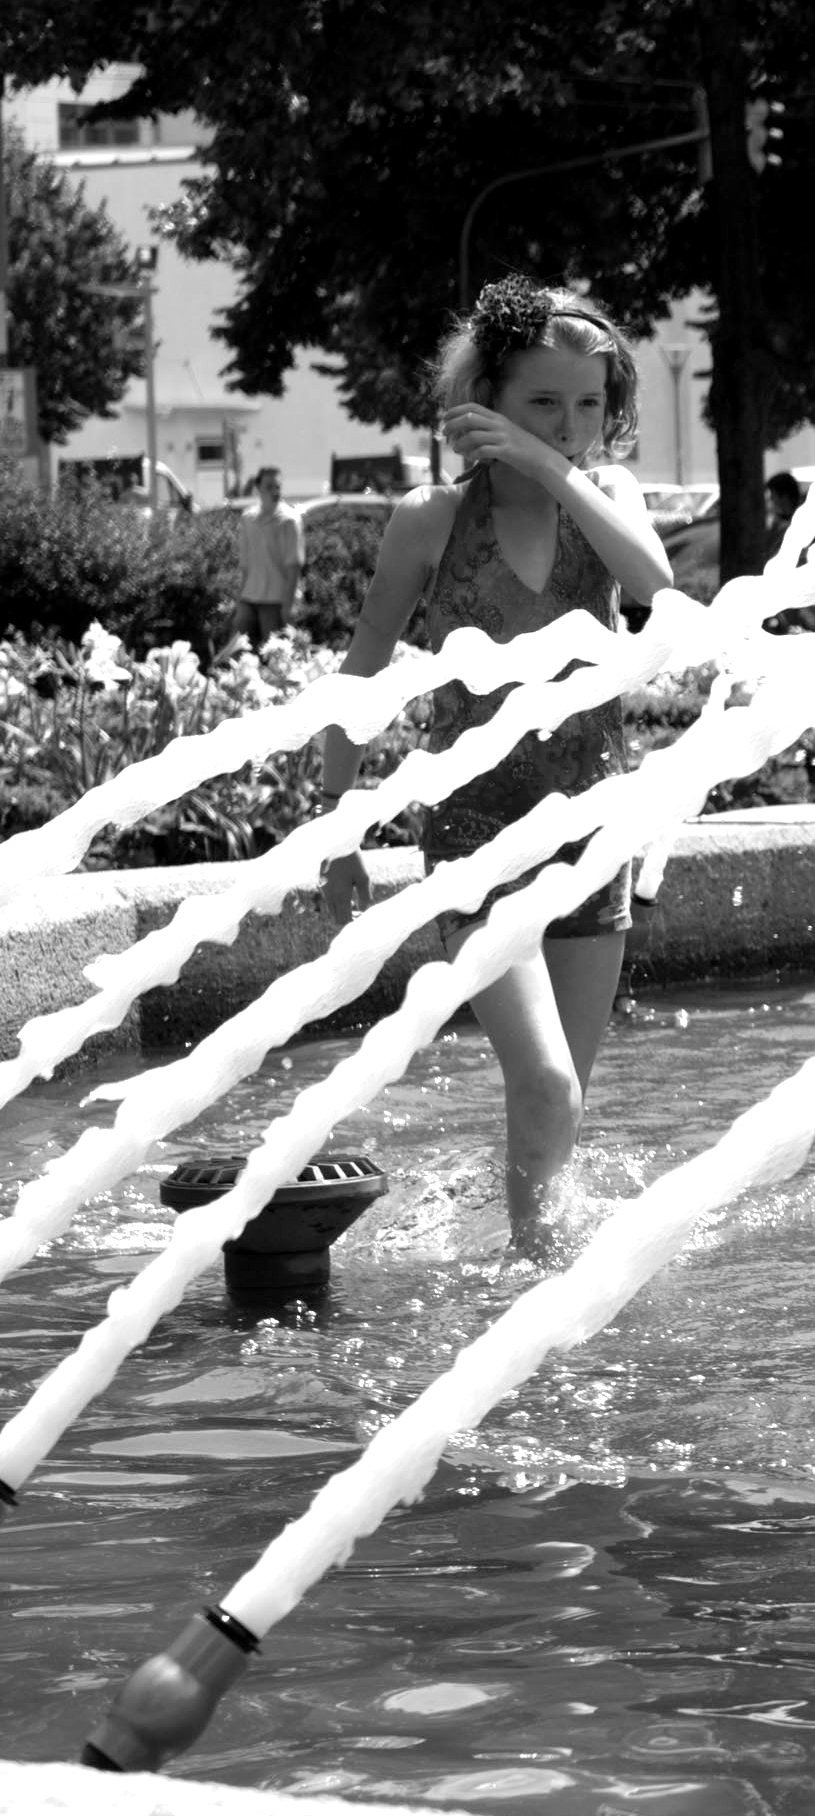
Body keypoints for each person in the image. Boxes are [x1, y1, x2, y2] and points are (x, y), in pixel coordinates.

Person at [315, 279, 675, 1258]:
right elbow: (360, 677)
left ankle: (519, 1261)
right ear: (488, 400)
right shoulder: (428, 522)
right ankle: (537, 1302)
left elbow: (657, 584)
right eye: (543, 403)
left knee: (559, 1105)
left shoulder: (608, 501)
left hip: (592, 833)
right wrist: (333, 826)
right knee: (549, 1085)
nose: (571, 423)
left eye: (590, 403)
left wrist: (554, 471)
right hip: (473, 836)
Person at [232, 468, 304, 645]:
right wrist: (239, 598)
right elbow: (245, 564)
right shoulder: (248, 519)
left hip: (275, 600)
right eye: (269, 486)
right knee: (237, 650)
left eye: (278, 487)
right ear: (258, 488)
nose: (275, 492)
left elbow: (294, 565)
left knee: (273, 654)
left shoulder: (289, 520)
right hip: (249, 597)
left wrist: (288, 606)